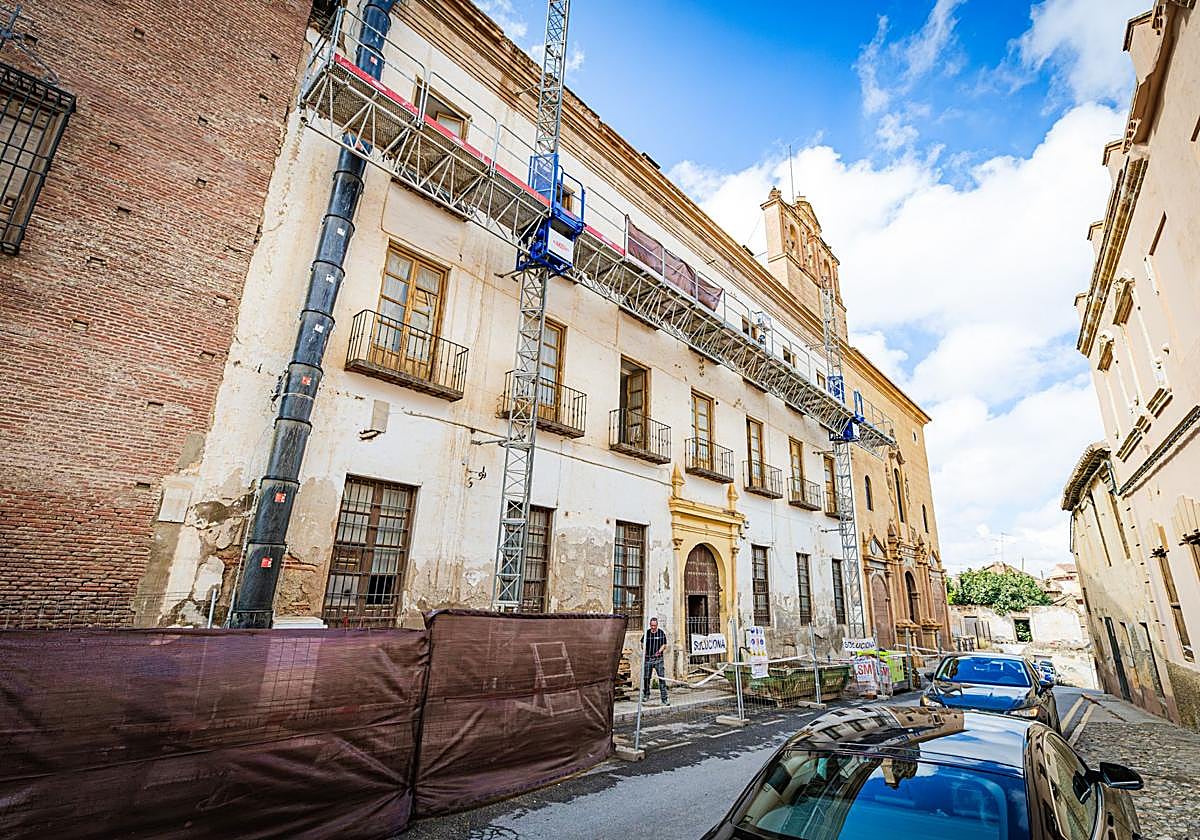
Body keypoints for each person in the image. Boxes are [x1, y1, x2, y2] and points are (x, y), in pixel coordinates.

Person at [642, 616, 669, 705]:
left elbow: (664, 645)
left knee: (661, 678)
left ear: (657, 625)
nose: (653, 627)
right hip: (648, 659)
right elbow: (642, 643)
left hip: (658, 660)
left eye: (654, 625)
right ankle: (646, 694)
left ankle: (664, 698)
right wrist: (644, 650)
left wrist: (659, 652)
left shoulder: (661, 633)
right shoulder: (647, 633)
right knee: (646, 678)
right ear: (650, 625)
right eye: (652, 625)